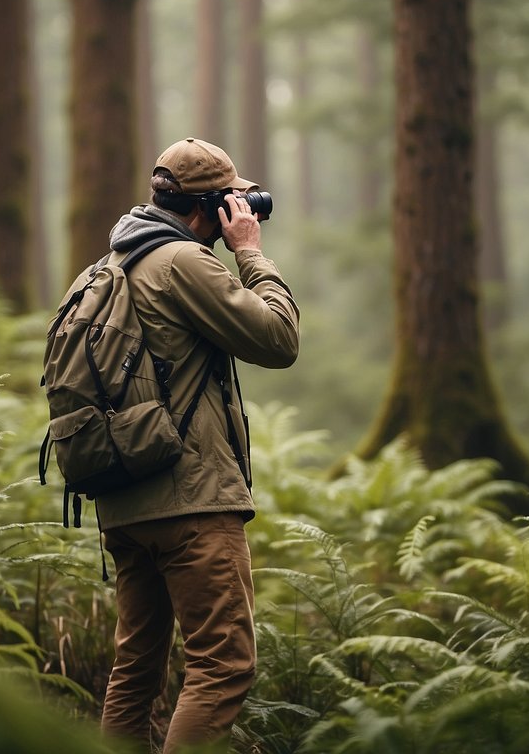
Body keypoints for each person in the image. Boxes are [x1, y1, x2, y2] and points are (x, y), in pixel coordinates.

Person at [85, 137, 300, 752]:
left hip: (126, 498)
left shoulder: (113, 264)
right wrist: (251, 255)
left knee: (136, 673)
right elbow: (278, 340)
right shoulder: (182, 261)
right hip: (192, 503)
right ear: (207, 209)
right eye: (232, 202)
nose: (243, 211)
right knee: (222, 667)